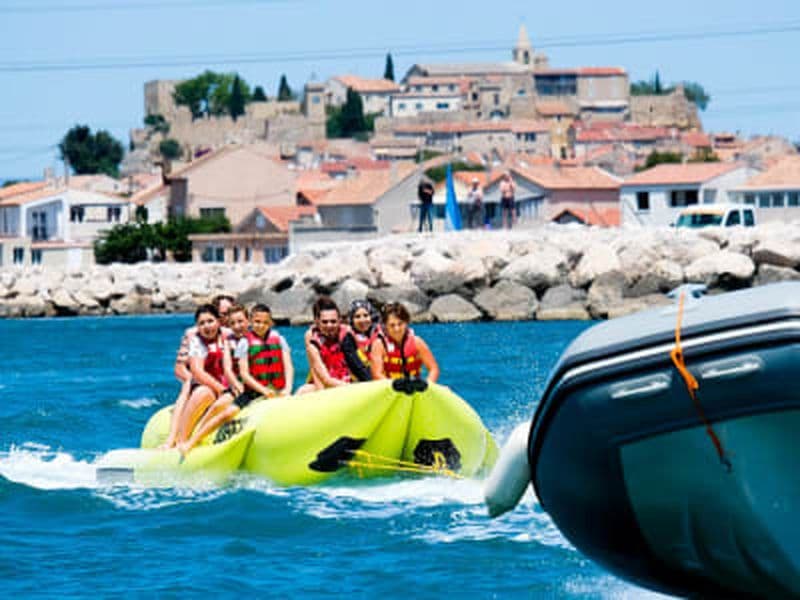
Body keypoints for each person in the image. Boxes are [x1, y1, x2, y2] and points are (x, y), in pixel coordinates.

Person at [162, 294, 235, 450]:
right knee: (200, 391)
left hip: (228, 386)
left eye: (210, 321)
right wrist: (220, 389)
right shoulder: (194, 337)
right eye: (202, 323)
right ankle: (178, 440)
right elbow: (190, 369)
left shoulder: (232, 334)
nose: (207, 326)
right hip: (206, 385)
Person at [297, 296, 361, 393]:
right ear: (317, 322)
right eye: (325, 322)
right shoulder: (312, 338)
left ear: (339, 320)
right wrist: (321, 393)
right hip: (327, 381)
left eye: (333, 321)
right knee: (303, 391)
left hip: (348, 381)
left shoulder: (348, 332)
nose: (329, 325)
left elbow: (361, 362)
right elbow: (316, 370)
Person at [234, 303, 294, 407]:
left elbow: (288, 366)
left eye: (265, 322)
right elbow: (244, 374)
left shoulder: (280, 339)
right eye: (257, 322)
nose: (261, 325)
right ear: (250, 321)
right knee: (231, 411)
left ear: (270, 323)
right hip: (254, 393)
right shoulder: (244, 343)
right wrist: (264, 390)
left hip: (279, 390)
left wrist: (288, 389)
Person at [371, 302, 439, 383]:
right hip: (389, 390)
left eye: (400, 324)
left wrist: (428, 385)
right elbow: (376, 374)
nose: (397, 329)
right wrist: (394, 386)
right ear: (385, 326)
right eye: (392, 325)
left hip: (414, 389)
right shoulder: (379, 345)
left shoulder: (417, 342)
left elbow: (433, 369)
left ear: (406, 323)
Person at [340, 299, 379, 382]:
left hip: (378, 379)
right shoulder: (348, 340)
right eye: (357, 316)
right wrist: (374, 383)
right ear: (351, 320)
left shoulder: (378, 336)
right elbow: (357, 367)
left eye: (366, 315)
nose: (362, 320)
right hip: (358, 383)